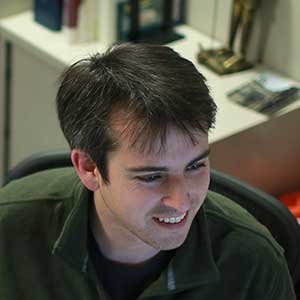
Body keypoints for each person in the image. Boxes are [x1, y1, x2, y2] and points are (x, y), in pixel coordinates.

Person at [0, 43, 296, 299]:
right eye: (152, 176)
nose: (181, 201)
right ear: (90, 168)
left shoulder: (255, 264)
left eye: (195, 166)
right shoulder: (10, 227)